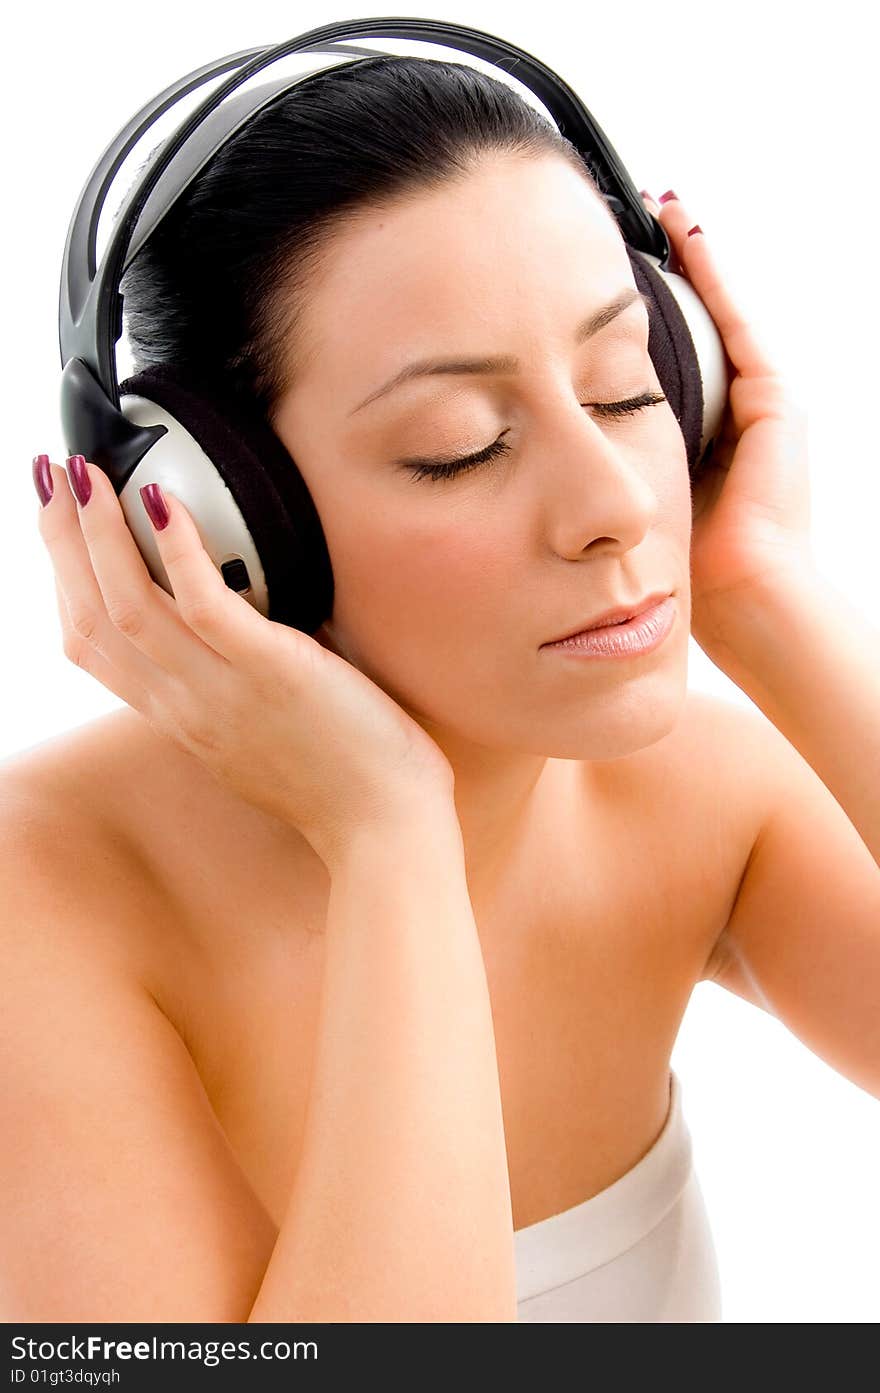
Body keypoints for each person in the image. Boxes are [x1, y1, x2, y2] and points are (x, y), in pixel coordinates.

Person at [4, 54, 878, 1324]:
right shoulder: (43, 902)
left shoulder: (705, 799)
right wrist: (386, 841)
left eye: (631, 385)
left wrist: (774, 603)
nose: (618, 505)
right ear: (212, 515)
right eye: (456, 447)